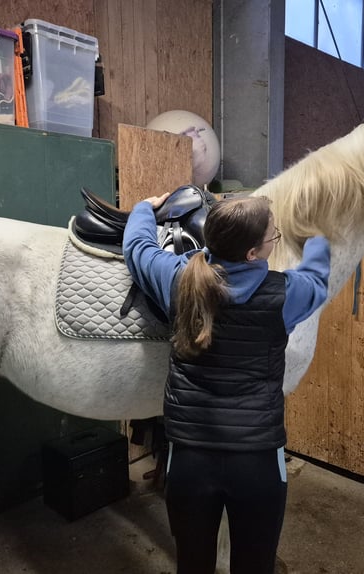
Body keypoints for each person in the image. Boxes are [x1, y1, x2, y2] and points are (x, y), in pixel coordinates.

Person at [123, 192, 331, 574]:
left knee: (192, 564)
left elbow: (137, 247)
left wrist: (144, 209)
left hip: (188, 459)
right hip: (257, 464)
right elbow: (318, 278)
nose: (275, 239)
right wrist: (317, 233)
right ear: (253, 254)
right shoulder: (286, 293)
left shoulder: (177, 280)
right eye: (274, 236)